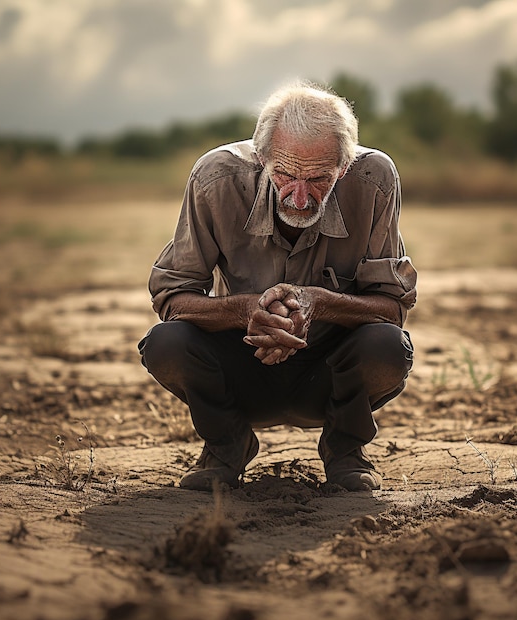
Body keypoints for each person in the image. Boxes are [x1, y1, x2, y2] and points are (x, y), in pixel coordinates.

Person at [139, 81, 416, 492]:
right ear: (262, 158)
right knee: (166, 342)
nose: (300, 199)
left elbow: (392, 308)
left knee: (389, 346)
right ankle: (227, 445)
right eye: (285, 175)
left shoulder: (373, 179)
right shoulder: (216, 178)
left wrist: (318, 303)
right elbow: (171, 295)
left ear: (344, 166)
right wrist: (243, 310)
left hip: (328, 373)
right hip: (241, 367)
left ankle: (345, 448)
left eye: (320, 179)